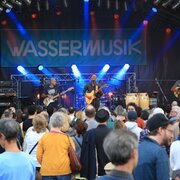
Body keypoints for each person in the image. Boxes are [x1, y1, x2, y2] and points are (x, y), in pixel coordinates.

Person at [133, 113, 174, 180]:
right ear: (160, 130)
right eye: (170, 131)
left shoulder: (137, 148)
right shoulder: (160, 152)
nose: (172, 136)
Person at [36, 112, 75, 180]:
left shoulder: (44, 137)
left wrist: (46, 163)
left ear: (51, 122)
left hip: (47, 171)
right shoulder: (67, 138)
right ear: (62, 123)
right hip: (64, 170)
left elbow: (38, 155)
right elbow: (72, 154)